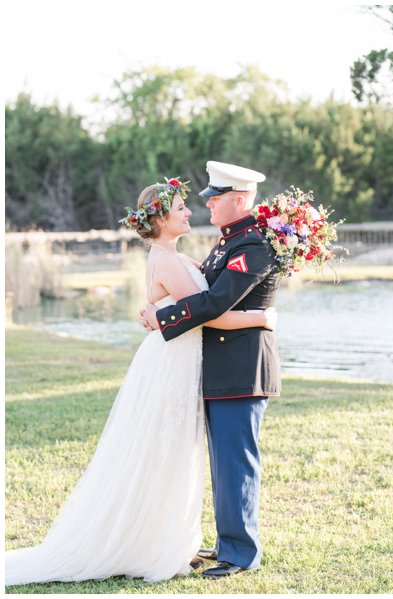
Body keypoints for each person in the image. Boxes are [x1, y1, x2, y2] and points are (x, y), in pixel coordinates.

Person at [5, 178, 276, 586]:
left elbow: (200, 304)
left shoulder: (200, 251)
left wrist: (160, 313)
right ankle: (179, 542)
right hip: (177, 362)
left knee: (192, 455)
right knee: (169, 455)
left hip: (194, 363)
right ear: (162, 219)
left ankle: (224, 547)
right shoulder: (175, 257)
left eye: (202, 202)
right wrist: (262, 318)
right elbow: (209, 310)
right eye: (182, 208)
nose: (192, 212)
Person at [142, 161, 282, 579]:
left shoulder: (252, 245)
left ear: (239, 200)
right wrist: (159, 310)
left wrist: (163, 317)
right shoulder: (227, 244)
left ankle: (240, 552)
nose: (209, 206)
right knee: (223, 461)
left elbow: (216, 303)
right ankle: (227, 541)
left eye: (216, 199)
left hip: (242, 369)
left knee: (237, 461)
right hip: (220, 368)